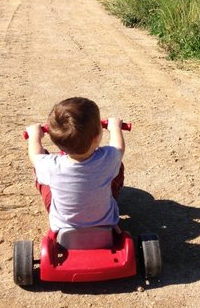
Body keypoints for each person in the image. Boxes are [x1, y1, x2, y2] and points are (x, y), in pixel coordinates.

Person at [25, 97, 125, 232]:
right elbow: (118, 147)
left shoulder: (50, 166)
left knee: (39, 172)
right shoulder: (109, 158)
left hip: (64, 229)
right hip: (105, 225)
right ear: (97, 137)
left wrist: (34, 136)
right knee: (118, 164)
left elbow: (35, 156)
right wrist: (115, 128)